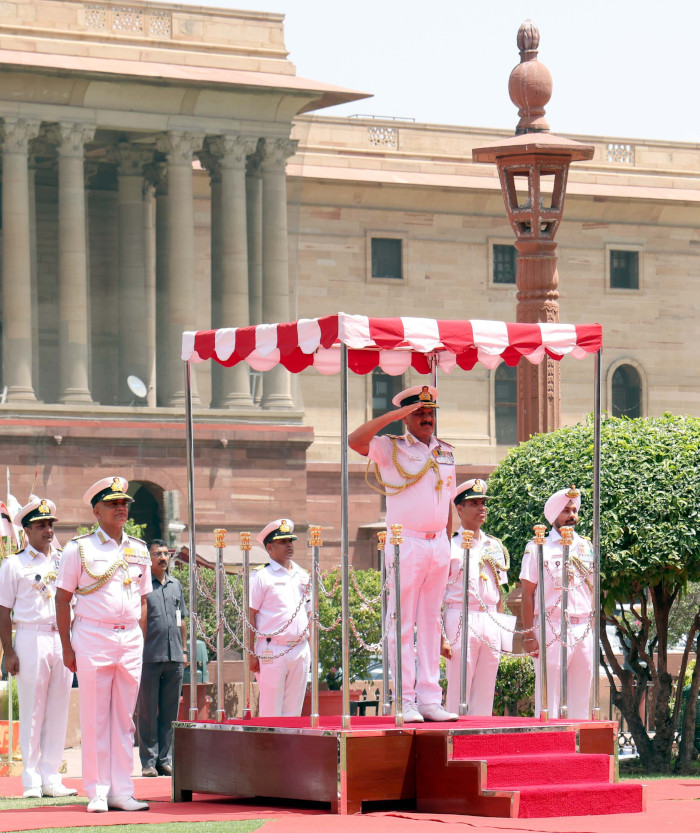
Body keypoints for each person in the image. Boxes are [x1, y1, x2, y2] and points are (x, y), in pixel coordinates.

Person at [348, 384, 457, 722]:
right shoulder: (390, 447)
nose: (427, 418)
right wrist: (394, 416)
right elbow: (355, 440)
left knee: (429, 622)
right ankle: (405, 699)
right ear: (407, 417)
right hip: (405, 541)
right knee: (401, 622)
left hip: (438, 541)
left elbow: (449, 501)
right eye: (420, 413)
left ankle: (429, 698)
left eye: (431, 412)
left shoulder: (446, 451)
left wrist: (449, 544)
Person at [55, 476, 152, 813]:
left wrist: (137, 635)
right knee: (96, 716)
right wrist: (67, 647)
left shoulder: (138, 549)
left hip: (128, 639)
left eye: (124, 503)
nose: (121, 507)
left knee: (124, 719)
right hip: (92, 636)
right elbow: (62, 598)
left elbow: (143, 600)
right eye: (113, 503)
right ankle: (97, 790)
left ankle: (122, 790)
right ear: (96, 510)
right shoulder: (78, 548)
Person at [0, 497, 77, 798]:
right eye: (41, 525)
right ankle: (31, 779)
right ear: (27, 530)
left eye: (50, 524)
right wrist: (8, 650)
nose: (47, 530)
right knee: (33, 709)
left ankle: (51, 776)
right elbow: (3, 610)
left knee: (58, 708)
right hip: (30, 636)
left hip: (61, 637)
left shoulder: (63, 561)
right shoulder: (14, 564)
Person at [520, 486, 595, 720]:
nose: (571, 516)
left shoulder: (585, 546)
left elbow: (591, 590)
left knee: (581, 695)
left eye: (574, 510)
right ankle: (545, 746)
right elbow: (527, 593)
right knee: (548, 697)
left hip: (582, 627)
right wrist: (529, 635)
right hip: (550, 626)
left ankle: (578, 749)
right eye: (565, 511)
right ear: (554, 515)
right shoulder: (537, 547)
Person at [441, 479, 509, 716]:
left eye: (483, 503)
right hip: (460, 615)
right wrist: (441, 636)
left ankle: (479, 738)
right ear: (459, 509)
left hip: (489, 617)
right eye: (474, 503)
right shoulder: (449, 545)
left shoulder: (494, 546)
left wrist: (501, 630)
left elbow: (500, 593)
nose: (482, 508)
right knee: (459, 685)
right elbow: (438, 594)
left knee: (486, 685)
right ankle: (454, 741)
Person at [249, 519, 310, 717]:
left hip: (300, 648)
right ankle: (270, 748)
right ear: (269, 547)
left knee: (294, 712)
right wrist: (251, 653)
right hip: (271, 649)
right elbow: (250, 615)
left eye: (290, 541)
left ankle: (290, 748)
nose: (289, 545)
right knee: (271, 711)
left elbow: (310, 614)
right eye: (283, 542)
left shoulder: (302, 574)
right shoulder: (261, 576)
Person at [137, 539, 187, 777]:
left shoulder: (176, 585)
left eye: (166, 553)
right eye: (158, 554)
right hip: (148, 656)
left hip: (174, 656)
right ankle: (148, 761)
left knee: (169, 712)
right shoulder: (143, 586)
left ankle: (164, 760)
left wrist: (184, 650)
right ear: (149, 559)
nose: (163, 558)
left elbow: (182, 620)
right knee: (147, 710)